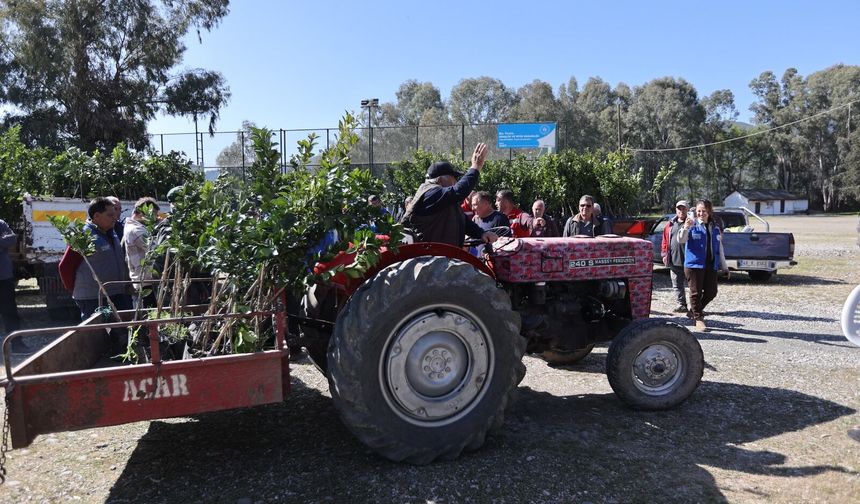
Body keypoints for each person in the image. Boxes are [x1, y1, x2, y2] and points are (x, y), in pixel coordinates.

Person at [400, 143, 498, 248]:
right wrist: (475, 167)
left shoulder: (444, 200)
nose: (456, 181)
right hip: (432, 258)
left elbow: (463, 221)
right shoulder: (431, 193)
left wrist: (481, 233)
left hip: (444, 257)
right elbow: (459, 190)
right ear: (440, 179)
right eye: (453, 177)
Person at [679, 199, 728, 331]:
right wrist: (685, 227)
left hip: (711, 265)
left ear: (709, 212)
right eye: (698, 211)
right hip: (693, 265)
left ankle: (694, 311)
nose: (701, 213)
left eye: (704, 211)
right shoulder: (691, 225)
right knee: (695, 293)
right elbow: (681, 240)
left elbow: (720, 248)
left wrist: (724, 266)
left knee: (712, 292)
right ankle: (698, 319)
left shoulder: (715, 227)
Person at [122, 197, 160, 308]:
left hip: (144, 281)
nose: (156, 218)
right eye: (154, 215)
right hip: (145, 282)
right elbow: (156, 249)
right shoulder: (136, 230)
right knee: (149, 317)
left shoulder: (134, 227)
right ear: (142, 214)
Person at [662, 200, 690, 313]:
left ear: (688, 209)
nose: (681, 211)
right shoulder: (670, 224)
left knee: (694, 285)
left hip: (690, 260)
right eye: (679, 208)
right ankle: (681, 304)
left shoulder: (693, 222)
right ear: (676, 210)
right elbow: (664, 240)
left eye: (684, 208)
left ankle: (696, 306)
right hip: (674, 259)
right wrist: (664, 254)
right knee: (677, 285)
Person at [1, 218, 22, 350]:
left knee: (10, 312)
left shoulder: (1, 223)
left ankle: (17, 344)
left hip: (3, 276)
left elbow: (12, 238)